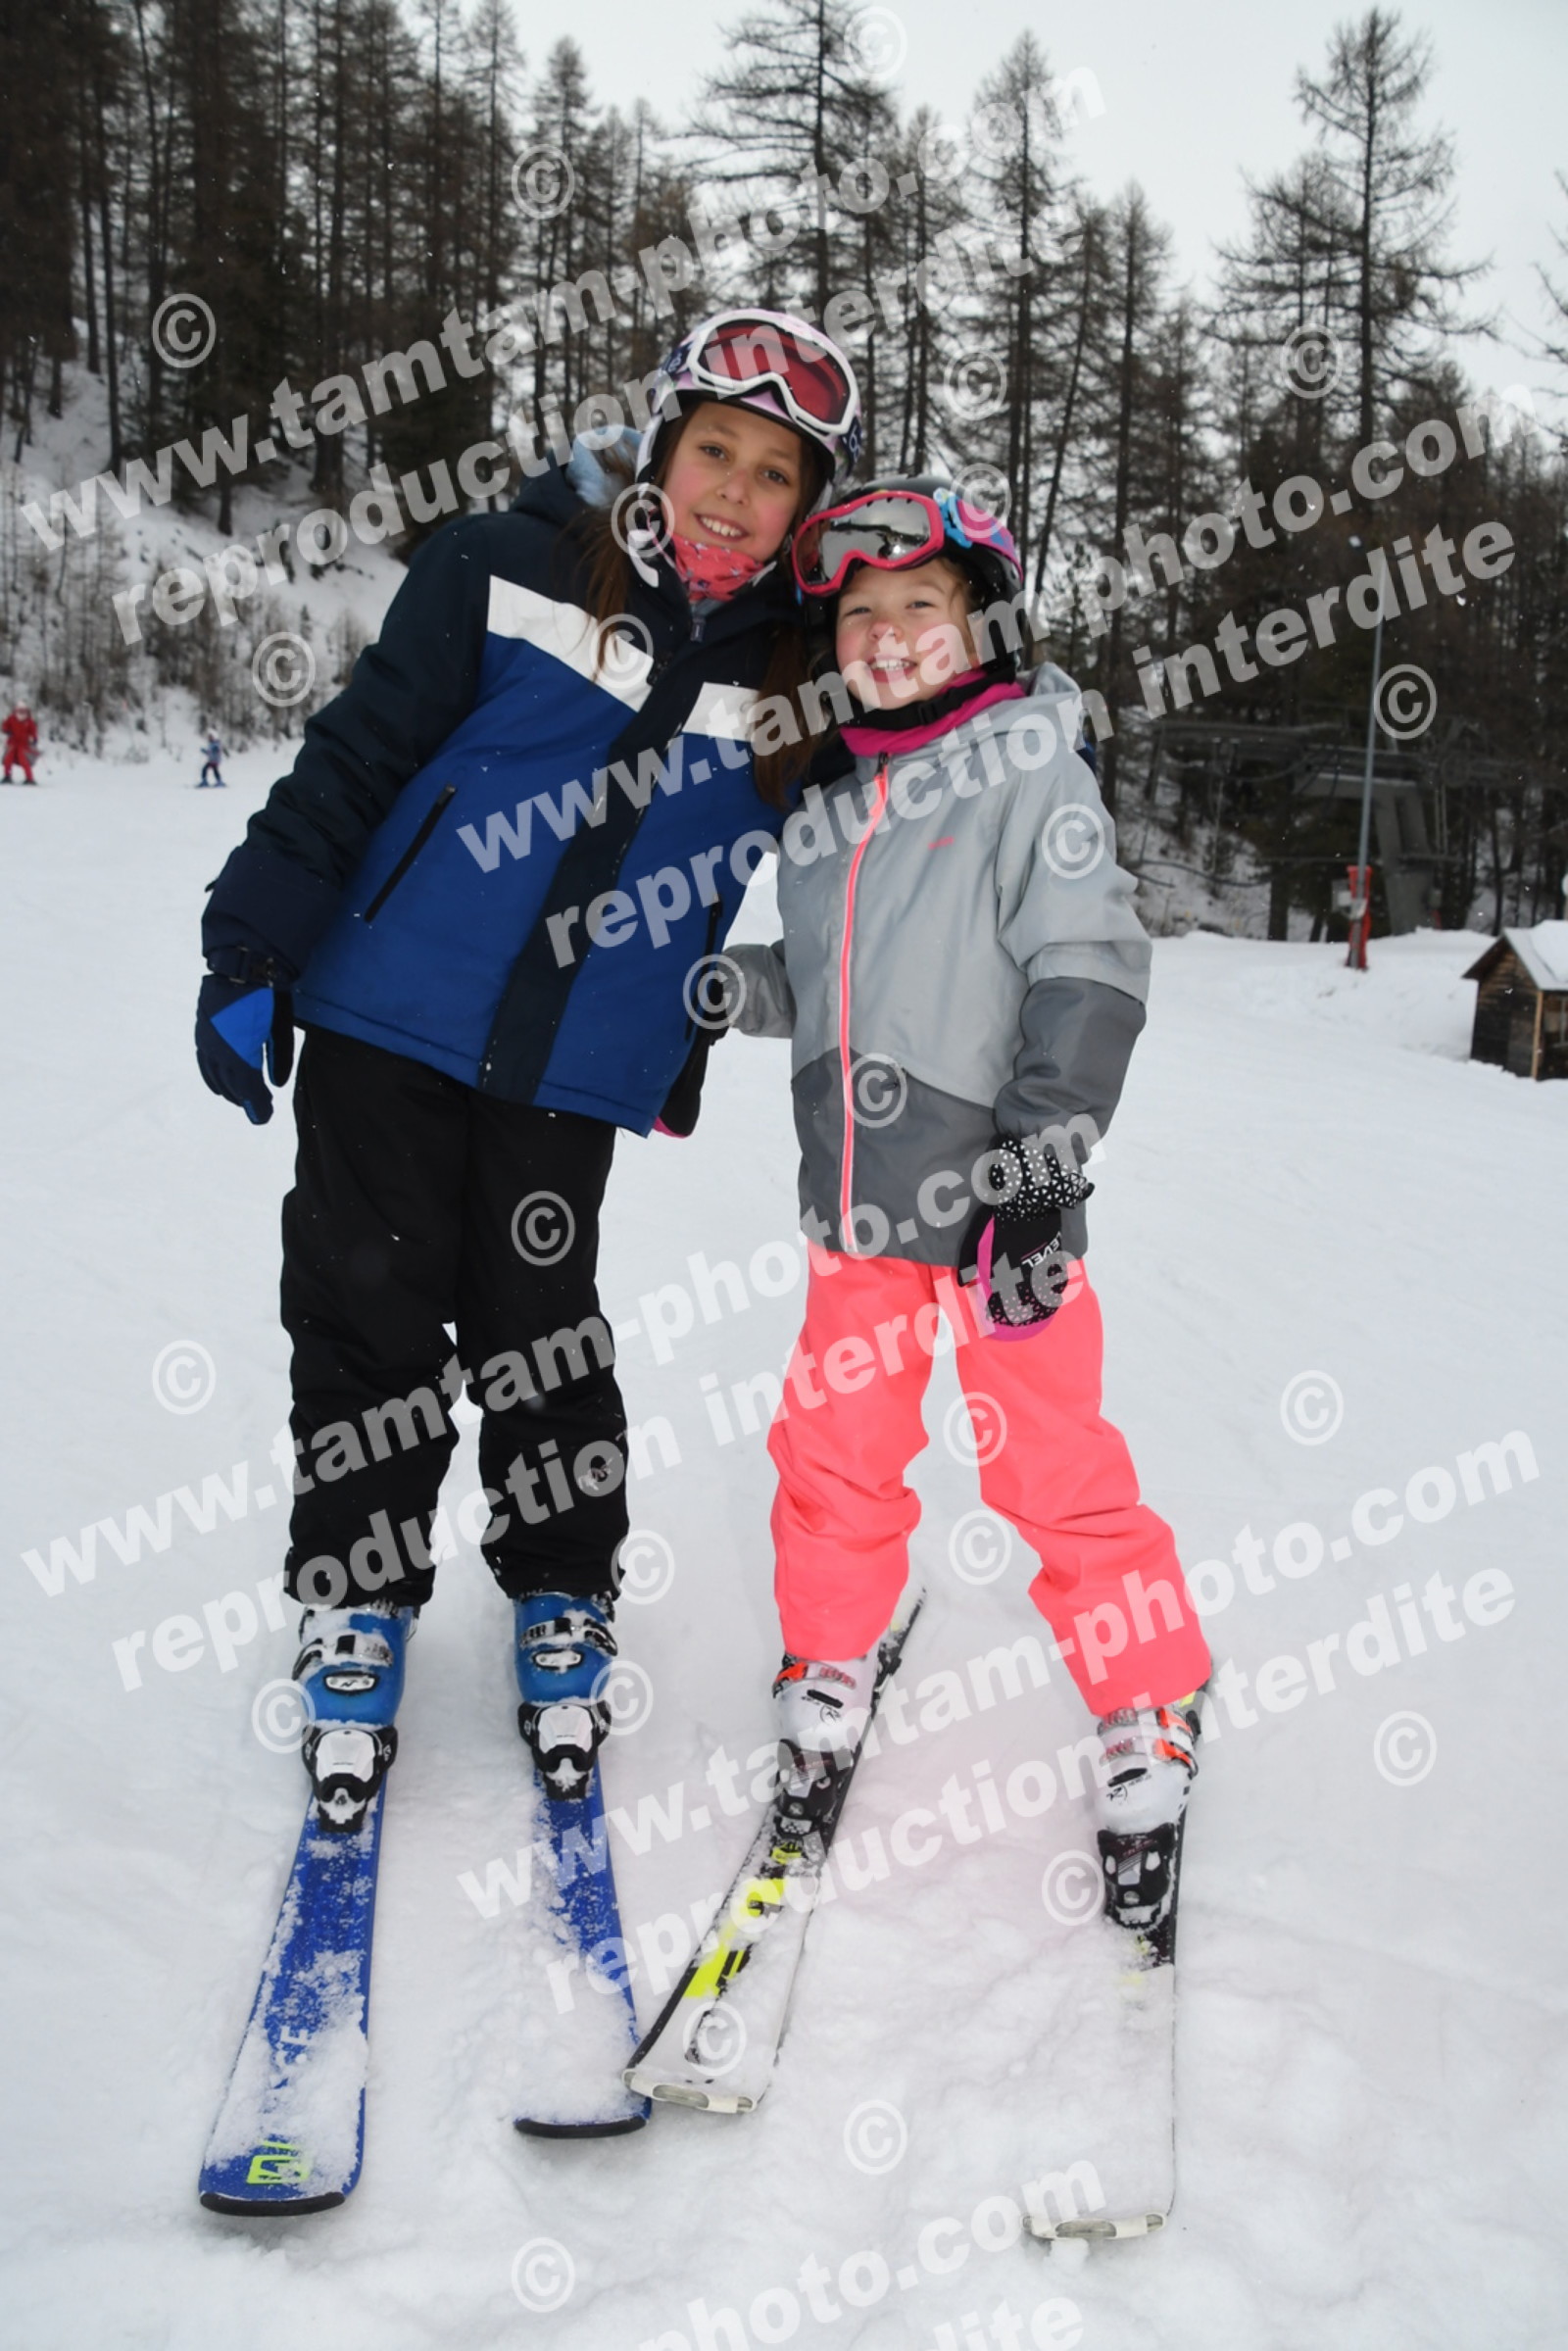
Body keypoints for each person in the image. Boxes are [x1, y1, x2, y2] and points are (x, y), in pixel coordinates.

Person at [193, 310, 862, 1831]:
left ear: (805, 508)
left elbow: (923, 752)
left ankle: (563, 1585)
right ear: (662, 445)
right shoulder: (506, 562)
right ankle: (358, 1598)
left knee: (538, 1325)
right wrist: (251, 942)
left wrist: (1006, 683)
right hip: (387, 1013)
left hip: (580, 1056)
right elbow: (358, 754)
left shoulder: (796, 672)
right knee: (366, 1310)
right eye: (715, 450)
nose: (734, 491)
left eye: (775, 473)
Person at [726, 478, 1212, 1934]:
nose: (884, 634)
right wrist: (728, 989)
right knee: (834, 1450)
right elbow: (835, 982)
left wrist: (1044, 1178)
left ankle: (1148, 1690)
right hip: (858, 1212)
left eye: (919, 606)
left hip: (1006, 1209)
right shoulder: (829, 803)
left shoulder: (1027, 767)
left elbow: (1087, 964)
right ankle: (828, 1657)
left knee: (1050, 1464)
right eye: (860, 614)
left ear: (983, 622)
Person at [3, 702, 39, 784]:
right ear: (16, 710)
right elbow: (5, 726)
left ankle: (29, 778)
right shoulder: (11, 718)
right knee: (8, 760)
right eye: (20, 710)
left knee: (24, 761)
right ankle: (7, 776)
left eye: (23, 711)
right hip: (12, 743)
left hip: (24, 745)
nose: (21, 713)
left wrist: (34, 739)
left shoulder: (29, 721)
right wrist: (7, 731)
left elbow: (33, 731)